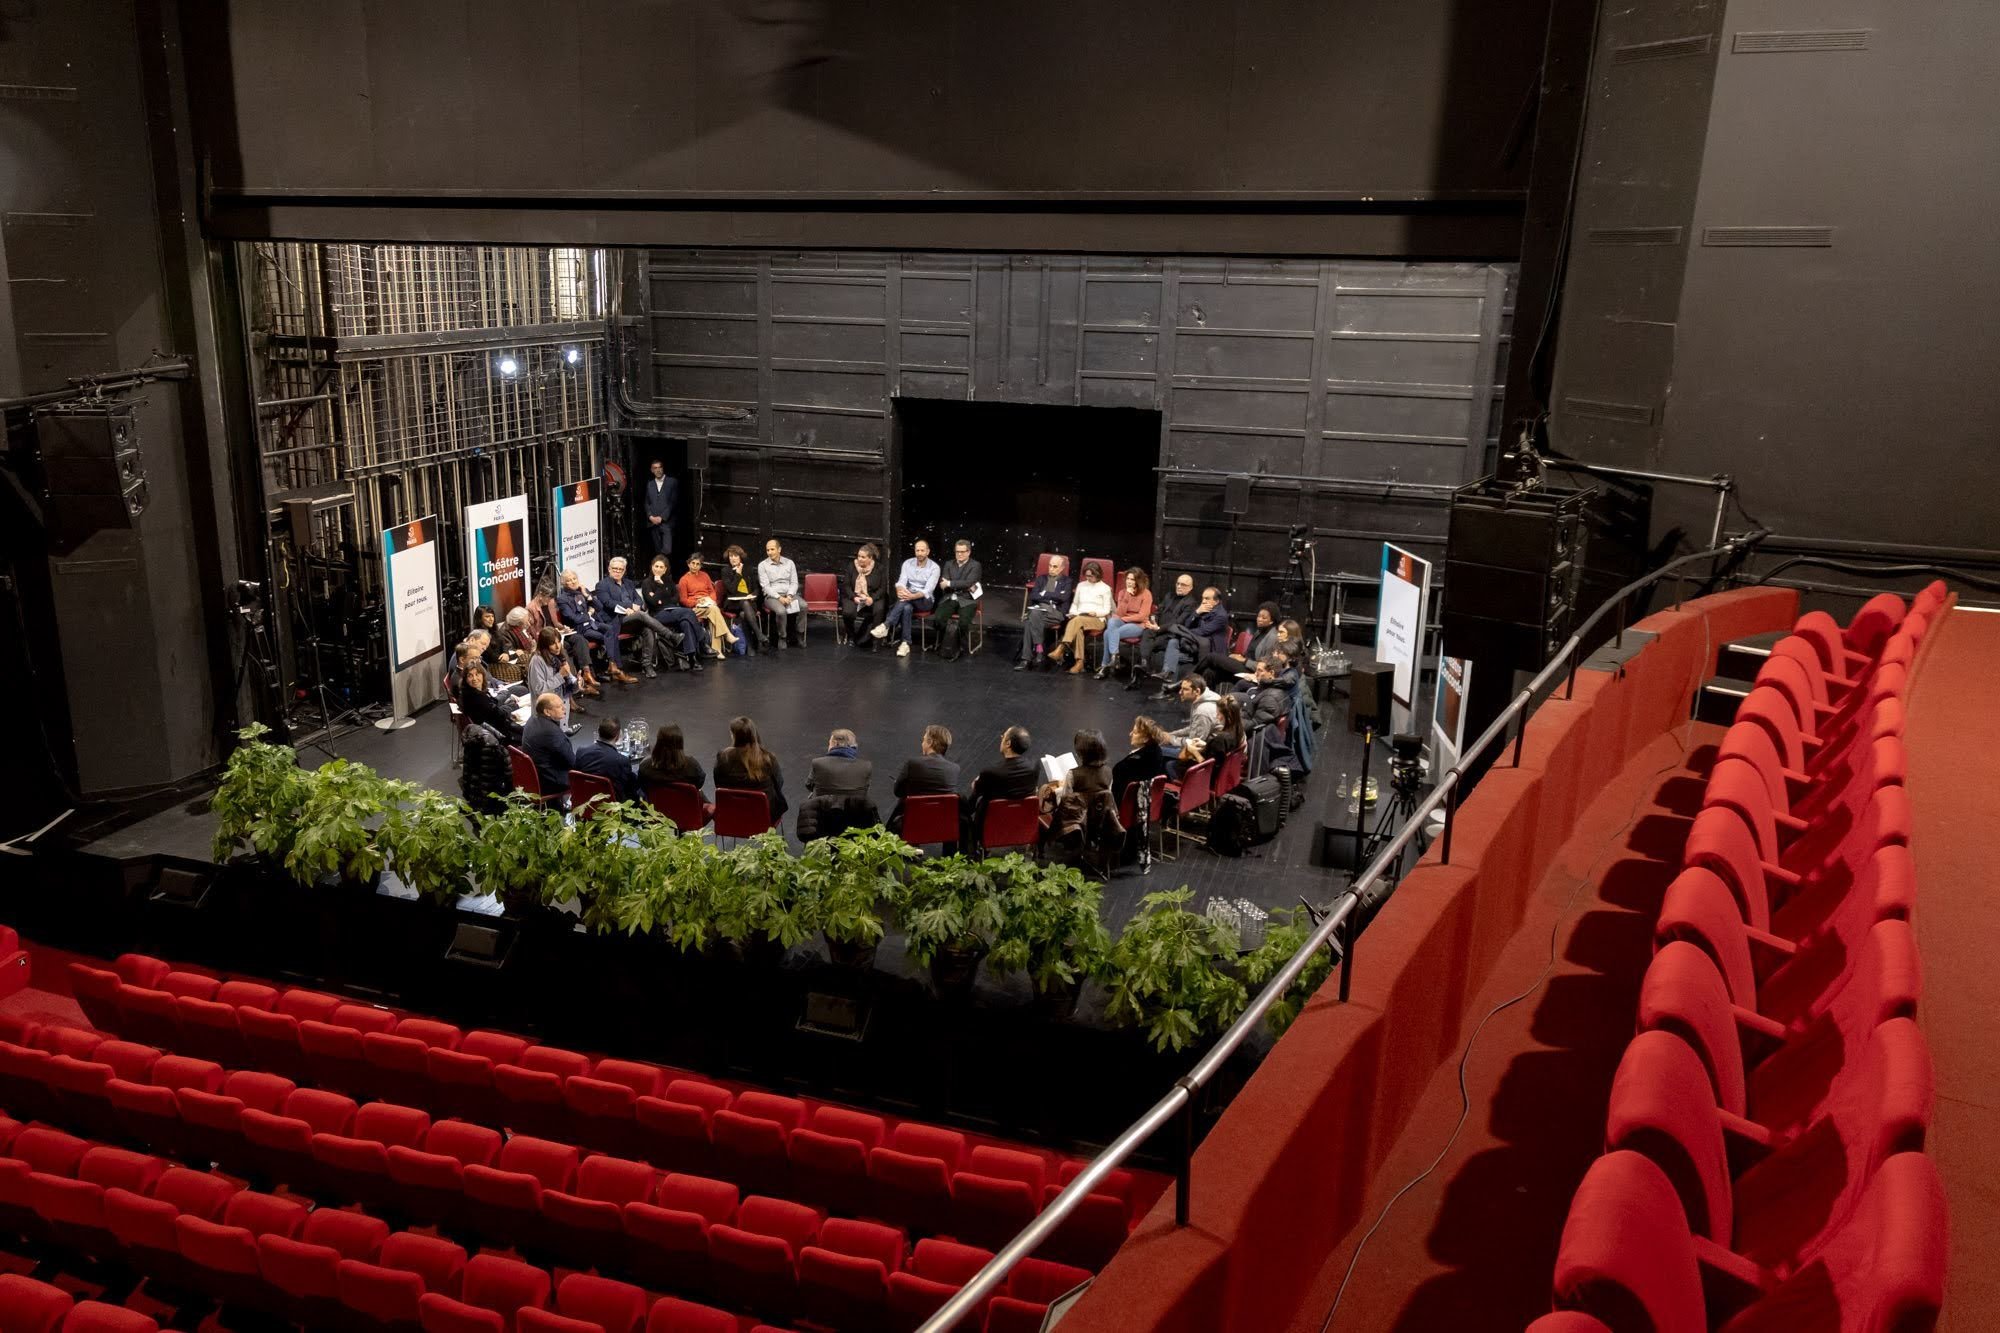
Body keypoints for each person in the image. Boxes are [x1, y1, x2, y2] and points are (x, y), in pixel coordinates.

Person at [600, 556, 694, 675]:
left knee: (647, 628)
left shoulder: (628, 583)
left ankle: (647, 665)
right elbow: (608, 603)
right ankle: (670, 635)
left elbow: (638, 600)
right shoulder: (602, 585)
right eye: (615, 569)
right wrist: (628, 607)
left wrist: (636, 606)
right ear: (609, 569)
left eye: (620, 569)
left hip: (634, 618)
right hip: (616, 620)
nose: (617, 571)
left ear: (624, 571)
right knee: (641, 614)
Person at [557, 568, 637, 685]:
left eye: (574, 579)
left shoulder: (582, 592)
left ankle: (611, 664)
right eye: (569, 580)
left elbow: (599, 607)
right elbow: (574, 619)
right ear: (564, 583)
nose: (573, 582)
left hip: (591, 624)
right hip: (580, 630)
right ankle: (614, 667)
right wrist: (589, 613)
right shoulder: (562, 599)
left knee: (610, 629)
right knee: (609, 637)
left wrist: (588, 596)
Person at [964, 725, 1040, 845]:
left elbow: (977, 792)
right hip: (1022, 824)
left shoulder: (990, 772)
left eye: (1003, 736)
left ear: (1008, 743)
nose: (1001, 738)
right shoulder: (1034, 766)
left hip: (991, 825)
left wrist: (977, 783)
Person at [1132, 573, 1201, 692]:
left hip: (1172, 634)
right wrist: (1153, 621)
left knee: (1148, 645)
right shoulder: (1169, 595)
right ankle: (1144, 664)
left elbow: (1178, 623)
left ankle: (1142, 672)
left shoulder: (1191, 603)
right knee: (1146, 633)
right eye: (1178, 583)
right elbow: (1158, 611)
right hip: (1158, 629)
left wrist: (1158, 628)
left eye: (1183, 585)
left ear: (1190, 588)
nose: (1179, 586)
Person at [873, 538, 940, 658]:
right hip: (908, 598)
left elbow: (928, 590)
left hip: (925, 601)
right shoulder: (907, 563)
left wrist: (911, 595)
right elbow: (901, 582)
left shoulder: (934, 568)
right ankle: (905, 643)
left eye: (922, 550)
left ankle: (886, 625)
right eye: (917, 550)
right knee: (907, 608)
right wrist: (900, 590)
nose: (919, 553)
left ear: (928, 552)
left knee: (905, 601)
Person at [714, 715, 787, 822]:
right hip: (763, 817)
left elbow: (718, 784)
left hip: (732, 815)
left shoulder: (723, 757)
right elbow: (779, 783)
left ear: (734, 736)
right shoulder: (768, 759)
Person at [640, 554, 707, 672]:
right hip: (657, 615)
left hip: (673, 610)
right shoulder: (646, 583)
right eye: (656, 566)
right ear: (652, 567)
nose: (658, 569)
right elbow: (653, 602)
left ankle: (692, 658)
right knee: (689, 613)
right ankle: (702, 642)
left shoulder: (669, 581)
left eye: (661, 567)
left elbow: (676, 598)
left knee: (686, 622)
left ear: (665, 569)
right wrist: (660, 588)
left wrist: (661, 599)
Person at [888, 724, 960, 832]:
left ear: (930, 743)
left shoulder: (913, 764)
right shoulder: (955, 769)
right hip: (942, 824)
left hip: (913, 823)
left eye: (924, 740)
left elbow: (898, 792)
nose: (922, 743)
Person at [1198, 601, 1285, 688]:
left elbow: (1266, 666)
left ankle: (1189, 678)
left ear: (1271, 621)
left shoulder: (1272, 637)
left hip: (1253, 671)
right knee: (1210, 673)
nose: (1259, 619)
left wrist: (1244, 660)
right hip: (1244, 665)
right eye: (1258, 616)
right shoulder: (1259, 631)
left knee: (1212, 657)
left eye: (1264, 618)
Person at [1050, 561, 1114, 674]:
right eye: (1087, 576)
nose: (1088, 578)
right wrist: (1073, 612)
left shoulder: (1105, 588)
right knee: (1078, 628)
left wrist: (1096, 613)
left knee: (1077, 621)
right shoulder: (1081, 585)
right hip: (1080, 616)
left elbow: (1107, 610)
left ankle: (1061, 648)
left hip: (1097, 619)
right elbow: (1075, 604)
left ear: (1098, 574)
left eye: (1091, 576)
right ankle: (1079, 663)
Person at [1015, 555, 1075, 670]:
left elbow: (1064, 597)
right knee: (1030, 622)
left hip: (1056, 613)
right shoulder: (1041, 579)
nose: (1051, 568)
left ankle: (1037, 651)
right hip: (1040, 613)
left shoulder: (1067, 581)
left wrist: (1044, 595)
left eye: (1055, 566)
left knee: (1033, 615)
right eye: (1050, 565)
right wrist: (1052, 597)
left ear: (1062, 568)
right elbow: (1034, 595)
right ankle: (1030, 657)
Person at [1096, 568, 1154, 680]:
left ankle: (1105, 666)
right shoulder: (1123, 592)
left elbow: (1142, 616)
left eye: (1133, 579)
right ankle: (1114, 657)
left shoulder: (1146, 594)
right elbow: (1119, 613)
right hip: (1124, 620)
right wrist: (1127, 596)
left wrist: (1125, 619)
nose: (1129, 581)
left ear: (1139, 581)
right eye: (1128, 579)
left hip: (1139, 625)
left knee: (1109, 633)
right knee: (1112, 621)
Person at [932, 539, 983, 661]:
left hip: (967, 599)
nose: (959, 554)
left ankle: (956, 646)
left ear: (968, 552)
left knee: (964, 622)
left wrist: (950, 583)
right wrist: (956, 584)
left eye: (962, 552)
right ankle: (948, 641)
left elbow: (969, 583)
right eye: (957, 552)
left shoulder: (975, 565)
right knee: (938, 619)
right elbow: (943, 582)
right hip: (950, 597)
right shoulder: (949, 564)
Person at [676, 554, 735, 659]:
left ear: (700, 566)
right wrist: (696, 601)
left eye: (698, 564)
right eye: (693, 563)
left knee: (713, 613)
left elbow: (712, 591)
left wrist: (710, 599)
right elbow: (683, 600)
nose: (695, 566)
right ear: (688, 564)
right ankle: (726, 635)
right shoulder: (684, 580)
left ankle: (717, 651)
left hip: (707, 604)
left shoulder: (705, 576)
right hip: (694, 608)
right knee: (714, 610)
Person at [526, 627, 584, 731]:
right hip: (546, 715)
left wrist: (577, 683)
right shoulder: (537, 661)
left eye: (559, 642)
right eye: (553, 643)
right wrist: (560, 675)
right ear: (544, 645)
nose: (558, 646)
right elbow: (539, 690)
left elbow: (568, 688)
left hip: (561, 710)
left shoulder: (560, 656)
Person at [712, 546, 768, 655]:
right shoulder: (725, 571)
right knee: (744, 604)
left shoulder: (749, 569)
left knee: (743, 614)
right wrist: (737, 574)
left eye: (735, 556)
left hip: (749, 603)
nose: (733, 559)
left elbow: (757, 589)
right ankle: (759, 635)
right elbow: (732, 590)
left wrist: (753, 595)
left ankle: (750, 646)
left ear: (740, 557)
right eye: (730, 556)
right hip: (733, 603)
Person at [572, 717, 641, 803]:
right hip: (611, 808)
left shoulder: (581, 751)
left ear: (598, 731)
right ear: (618, 736)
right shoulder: (621, 761)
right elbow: (630, 787)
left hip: (585, 803)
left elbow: (575, 777)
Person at [521, 692, 574, 798]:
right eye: (559, 706)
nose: (564, 708)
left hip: (535, 774)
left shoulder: (533, 719)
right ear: (547, 712)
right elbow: (571, 762)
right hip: (550, 780)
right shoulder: (552, 732)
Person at [456, 661, 521, 743]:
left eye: (477, 674)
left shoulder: (468, 693)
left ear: (483, 675)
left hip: (491, 730)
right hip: (498, 737)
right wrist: (512, 710)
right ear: (465, 679)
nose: (474, 678)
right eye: (470, 676)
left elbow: (492, 708)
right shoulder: (476, 697)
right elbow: (498, 714)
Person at [758, 539, 805, 649]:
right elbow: (766, 587)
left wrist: (789, 595)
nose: (769, 552)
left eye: (772, 549)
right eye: (767, 550)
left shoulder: (789, 563)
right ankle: (782, 637)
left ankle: (799, 634)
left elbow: (794, 582)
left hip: (789, 594)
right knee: (781, 611)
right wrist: (779, 597)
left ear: (779, 549)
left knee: (804, 606)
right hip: (772, 596)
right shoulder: (763, 565)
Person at [841, 544, 889, 646]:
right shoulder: (851, 566)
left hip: (872, 596)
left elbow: (882, 588)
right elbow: (846, 585)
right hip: (855, 595)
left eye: (863, 557)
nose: (860, 559)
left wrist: (872, 598)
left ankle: (874, 639)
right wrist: (854, 597)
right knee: (847, 613)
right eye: (858, 556)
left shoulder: (879, 568)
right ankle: (851, 636)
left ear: (870, 558)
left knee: (879, 609)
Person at [1111, 716, 1173, 794]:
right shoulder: (1156, 750)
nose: (1130, 734)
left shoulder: (1136, 761)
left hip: (1131, 802)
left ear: (1146, 739)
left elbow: (1118, 771)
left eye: (1135, 732)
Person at [637, 723, 707, 792]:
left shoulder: (645, 766)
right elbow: (699, 783)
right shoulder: (692, 766)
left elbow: (642, 786)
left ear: (658, 743)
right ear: (680, 743)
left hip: (656, 803)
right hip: (684, 802)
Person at [806, 728, 873, 800]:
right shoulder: (866, 766)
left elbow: (809, 785)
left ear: (835, 743)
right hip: (855, 808)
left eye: (829, 744)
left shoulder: (818, 763)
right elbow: (865, 789)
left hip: (824, 807)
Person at [1234, 657, 1292, 731]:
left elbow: (1255, 724)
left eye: (1260, 671)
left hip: (1254, 737)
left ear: (1271, 673)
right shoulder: (1267, 690)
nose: (1255, 674)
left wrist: (1231, 723)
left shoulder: (1270, 698)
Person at [1064, 729, 1113, 800]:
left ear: (1081, 752)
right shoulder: (1109, 772)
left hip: (1078, 811)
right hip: (1102, 810)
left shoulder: (1072, 774)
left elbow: (1065, 802)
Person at [644, 458, 677, 558]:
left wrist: (661, 518)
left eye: (660, 467)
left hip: (667, 522)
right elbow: (647, 502)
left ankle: (668, 572)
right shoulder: (650, 484)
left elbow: (673, 502)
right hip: (653, 523)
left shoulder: (672, 482)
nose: (658, 470)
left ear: (663, 468)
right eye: (655, 468)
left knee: (667, 550)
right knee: (658, 551)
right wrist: (650, 517)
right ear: (651, 470)